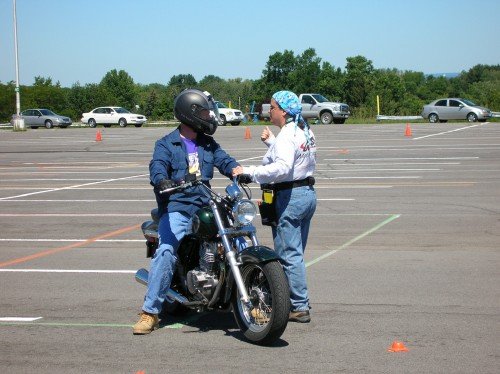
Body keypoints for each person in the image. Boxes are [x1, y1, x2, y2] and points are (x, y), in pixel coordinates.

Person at [133, 88, 241, 335]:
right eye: (204, 112)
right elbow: (157, 166)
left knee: (236, 240)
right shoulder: (166, 144)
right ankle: (150, 312)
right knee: (166, 251)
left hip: (206, 203)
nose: (209, 116)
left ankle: (249, 298)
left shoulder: (207, 143)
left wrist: (237, 170)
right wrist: (161, 180)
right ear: (190, 114)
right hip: (178, 206)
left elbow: (224, 160)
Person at [233, 90, 317, 323]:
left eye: (272, 107)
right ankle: (292, 301)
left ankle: (298, 306)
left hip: (290, 196)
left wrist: (250, 173)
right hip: (307, 193)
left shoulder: (287, 135)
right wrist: (272, 142)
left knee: (288, 255)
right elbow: (294, 156)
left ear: (283, 111)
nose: (268, 111)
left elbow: (281, 168)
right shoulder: (303, 129)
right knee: (296, 253)